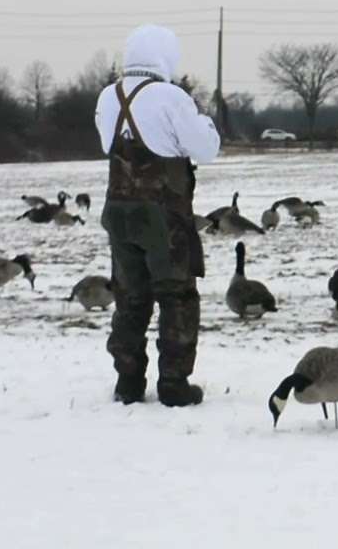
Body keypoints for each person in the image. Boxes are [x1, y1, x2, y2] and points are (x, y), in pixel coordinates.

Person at [94, 24, 221, 407]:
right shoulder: (171, 97)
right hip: (163, 221)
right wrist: (204, 121)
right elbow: (206, 149)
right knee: (177, 297)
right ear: (166, 57)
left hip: (118, 216)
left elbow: (106, 145)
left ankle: (128, 384)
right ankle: (173, 385)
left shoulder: (108, 96)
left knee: (130, 300)